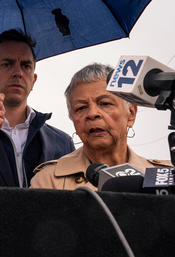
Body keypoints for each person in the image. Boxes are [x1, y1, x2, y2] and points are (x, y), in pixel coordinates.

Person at [0, 29, 74, 188]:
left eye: (26, 66)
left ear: (34, 80)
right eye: (7, 64)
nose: (18, 73)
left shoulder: (62, 143)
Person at [30, 63, 171, 190]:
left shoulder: (164, 177)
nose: (92, 114)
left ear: (131, 113)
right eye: (81, 108)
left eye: (105, 103)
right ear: (72, 119)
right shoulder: (49, 181)